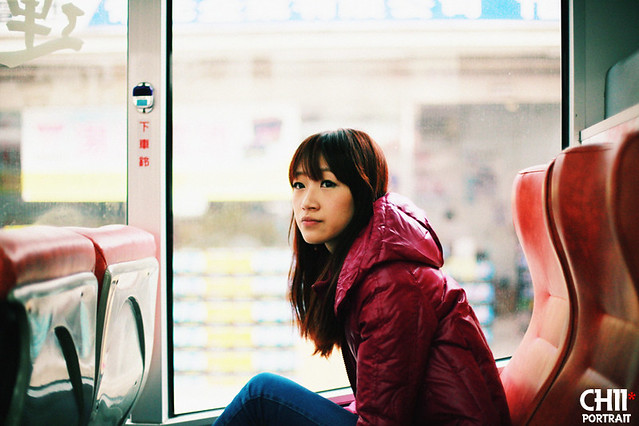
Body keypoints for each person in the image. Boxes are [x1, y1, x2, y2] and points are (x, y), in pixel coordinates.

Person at [214, 128, 511, 425]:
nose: (307, 202)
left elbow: (381, 421)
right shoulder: (368, 270)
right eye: (299, 185)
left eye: (327, 183)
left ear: (361, 192)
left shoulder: (389, 283)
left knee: (261, 395)